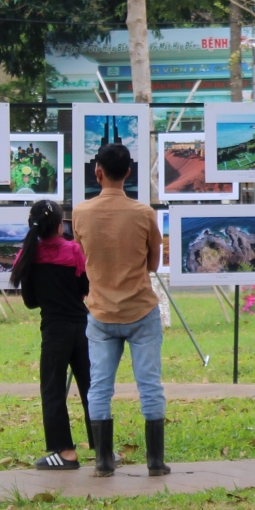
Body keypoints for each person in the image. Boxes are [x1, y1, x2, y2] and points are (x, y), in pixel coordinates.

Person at [72, 143, 168, 477]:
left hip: (100, 313)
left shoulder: (81, 213)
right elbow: (153, 264)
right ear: (128, 172)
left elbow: (84, 257)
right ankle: (155, 462)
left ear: (97, 172)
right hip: (141, 310)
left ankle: (103, 461)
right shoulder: (144, 213)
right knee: (150, 384)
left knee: (99, 386)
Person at [9, 200, 92, 471]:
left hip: (54, 332)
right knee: (92, 388)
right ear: (59, 226)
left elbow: (30, 301)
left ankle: (66, 452)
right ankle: (104, 449)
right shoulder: (74, 251)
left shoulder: (27, 256)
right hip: (83, 328)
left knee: (53, 390)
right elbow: (85, 287)